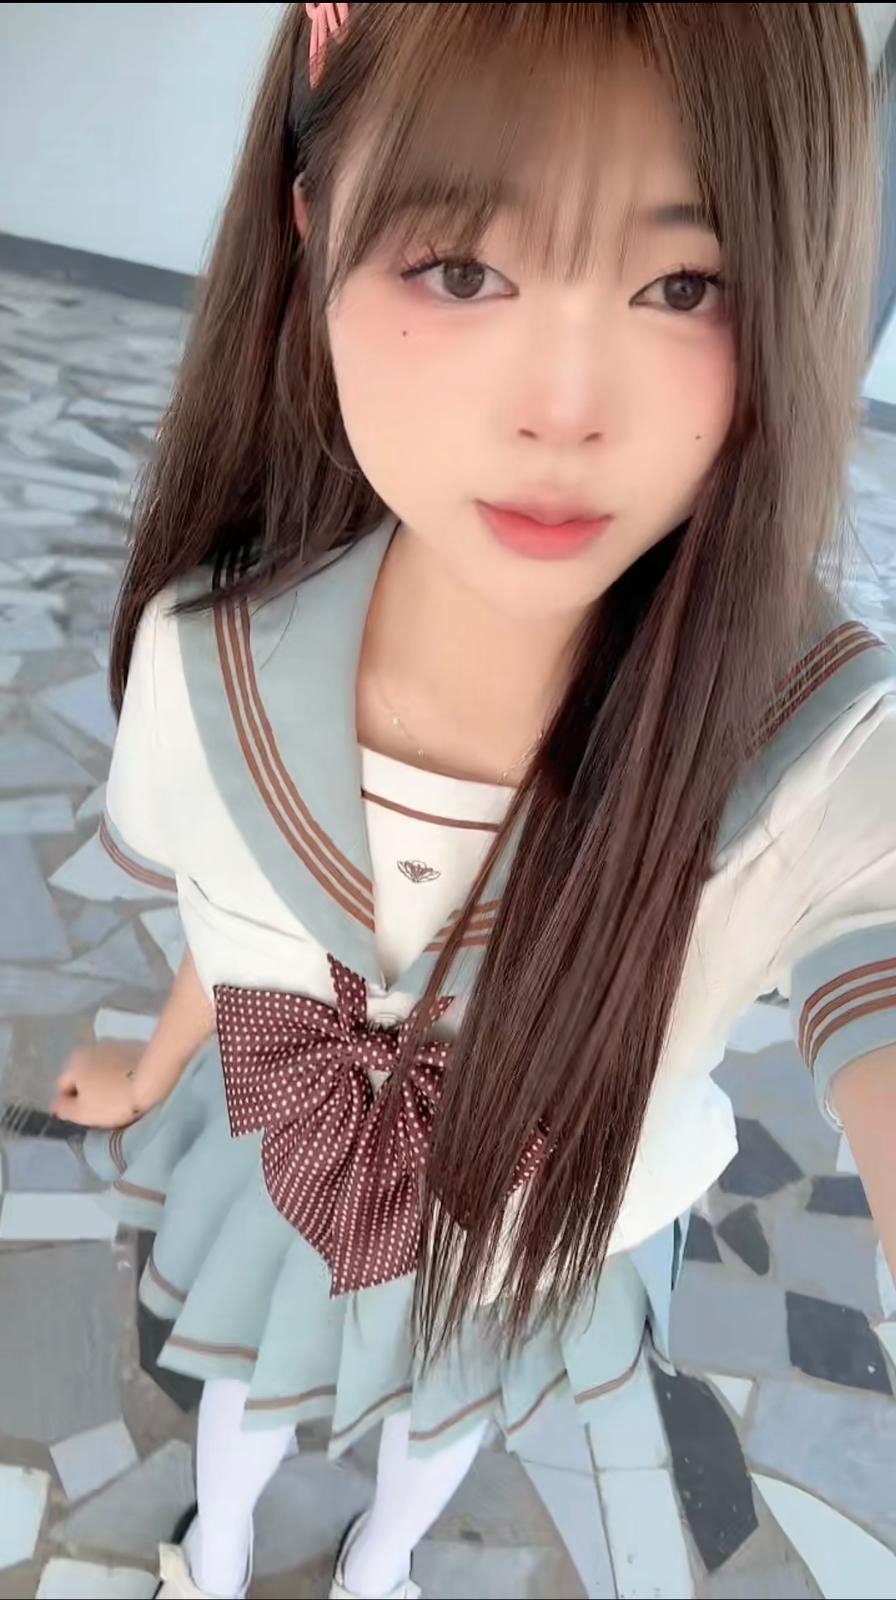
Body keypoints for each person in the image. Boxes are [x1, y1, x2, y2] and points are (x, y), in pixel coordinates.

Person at [52, 4, 896, 1598]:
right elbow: (230, 919)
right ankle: (217, 1550)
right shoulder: (203, 665)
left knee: (444, 1422)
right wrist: (155, 1065)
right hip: (292, 1168)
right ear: (313, 224)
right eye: (459, 268)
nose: (563, 410)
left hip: (530, 1238)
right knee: (243, 1389)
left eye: (683, 285)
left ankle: (379, 1564)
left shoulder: (805, 750)